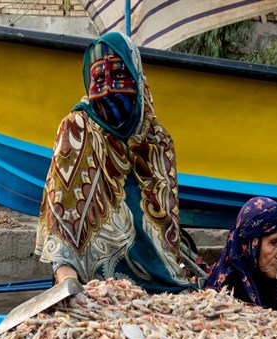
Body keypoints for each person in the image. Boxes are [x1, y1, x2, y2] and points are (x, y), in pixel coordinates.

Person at [35, 31, 193, 294]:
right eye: (99, 79)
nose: (108, 89)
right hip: (90, 285)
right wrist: (67, 281)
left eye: (119, 77)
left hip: (156, 283)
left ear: (137, 79)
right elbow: (62, 217)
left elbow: (166, 234)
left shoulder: (157, 139)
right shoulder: (77, 129)